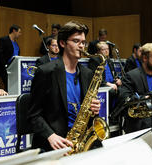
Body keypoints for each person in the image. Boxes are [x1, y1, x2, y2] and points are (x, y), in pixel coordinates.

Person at [28, 21, 101, 152]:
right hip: (55, 144)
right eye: (76, 41)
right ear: (62, 43)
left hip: (80, 142)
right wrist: (50, 135)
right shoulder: (45, 72)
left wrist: (94, 110)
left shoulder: (87, 74)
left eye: (83, 42)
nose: (81, 46)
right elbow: (34, 115)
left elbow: (87, 114)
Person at [117, 43, 152, 133]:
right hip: (138, 122)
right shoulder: (131, 76)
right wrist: (144, 99)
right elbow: (123, 98)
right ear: (144, 58)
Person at [0, 24, 22, 90]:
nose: (20, 34)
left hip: (14, 69)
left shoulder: (16, 43)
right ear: (14, 31)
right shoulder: (3, 40)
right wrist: (5, 65)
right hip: (4, 69)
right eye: (19, 32)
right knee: (8, 86)